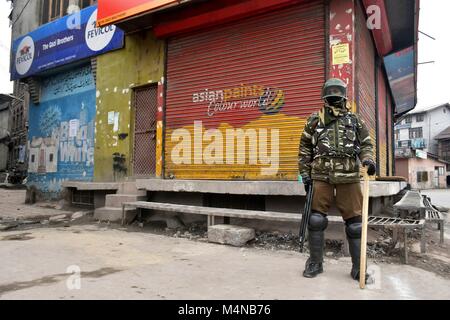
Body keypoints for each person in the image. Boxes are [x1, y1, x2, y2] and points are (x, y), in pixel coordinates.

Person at [298, 78, 376, 281]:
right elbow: (305, 148)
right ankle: (315, 262)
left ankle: (359, 268)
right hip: (321, 175)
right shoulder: (315, 119)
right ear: (325, 95)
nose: (333, 97)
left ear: (343, 95)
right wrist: (304, 173)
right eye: (330, 93)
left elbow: (366, 144)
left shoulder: (355, 120)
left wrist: (367, 161)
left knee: (355, 224)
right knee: (315, 220)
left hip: (349, 176)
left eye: (337, 93)